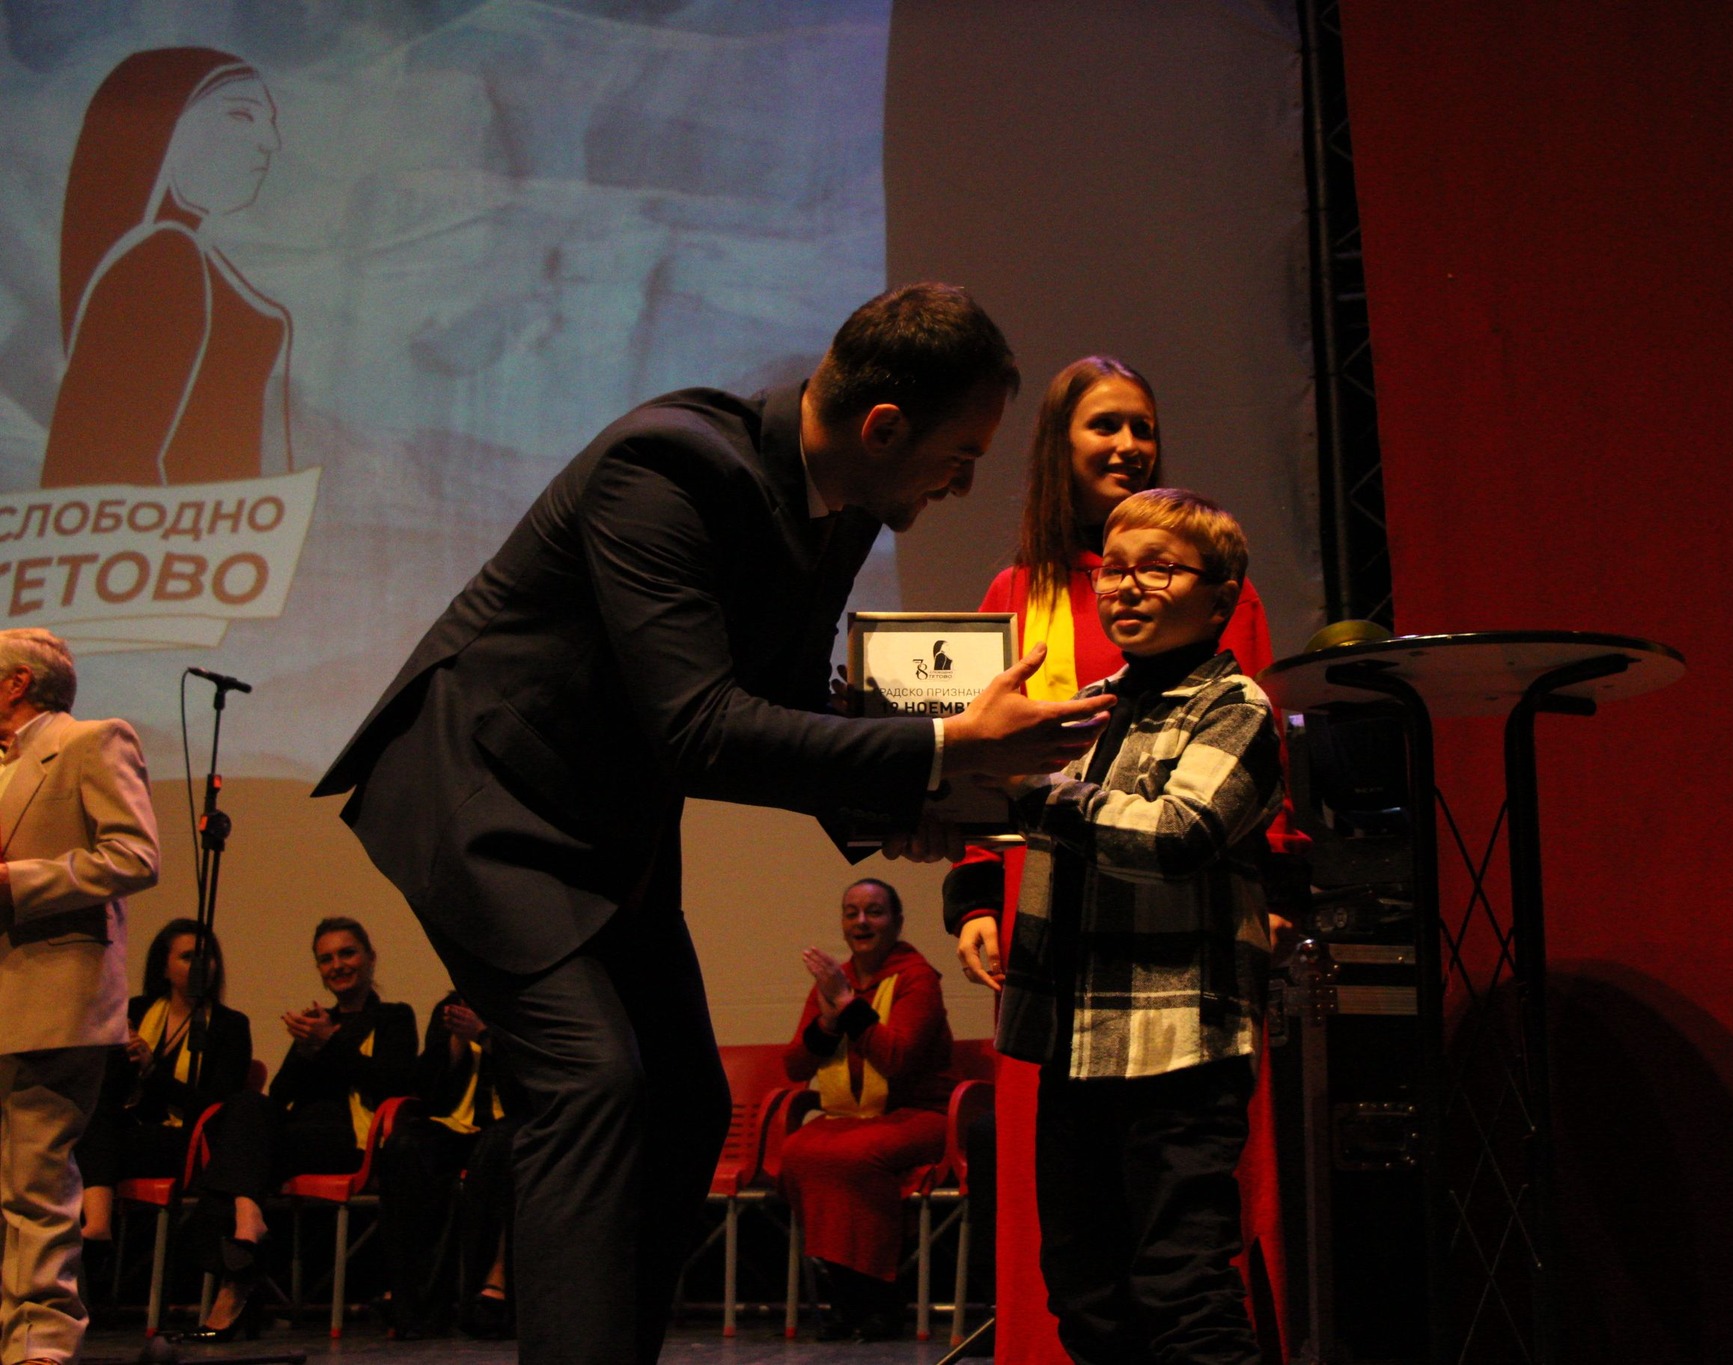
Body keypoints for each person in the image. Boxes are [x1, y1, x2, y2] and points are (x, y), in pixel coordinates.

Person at [310, 282, 1115, 1365]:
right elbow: (701, 728)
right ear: (884, 428)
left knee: (686, 1101)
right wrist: (943, 748)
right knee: (592, 1082)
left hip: (606, 827)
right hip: (483, 798)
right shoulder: (666, 466)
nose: (962, 483)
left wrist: (921, 800)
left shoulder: (845, 509)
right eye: (958, 456)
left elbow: (777, 706)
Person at [941, 356, 1292, 1361]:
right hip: (1063, 970)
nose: (1129, 444)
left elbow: (1200, 815)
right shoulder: (1027, 595)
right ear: (1057, 446)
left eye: (1142, 425)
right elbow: (984, 756)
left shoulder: (1220, 630)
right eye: (1104, 425)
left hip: (1177, 983)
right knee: (1084, 1274)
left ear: (1214, 596)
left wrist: (1275, 888)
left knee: (1178, 1267)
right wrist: (969, 877)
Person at [0, 627, 160, 1365]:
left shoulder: (93, 741)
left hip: (51, 996)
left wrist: (15, 882)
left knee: (36, 1184)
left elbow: (134, 854)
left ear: (17, 683)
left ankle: (42, 1341)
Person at [42, 47, 291, 488]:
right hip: (190, 527)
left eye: (269, 121)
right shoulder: (162, 262)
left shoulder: (185, 256)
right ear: (167, 130)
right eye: (241, 116)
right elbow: (111, 463)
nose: (271, 142)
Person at [184, 916, 416, 1342]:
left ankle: (235, 1282)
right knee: (246, 1104)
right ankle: (247, 1220)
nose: (337, 965)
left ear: (370, 958)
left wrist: (330, 1042)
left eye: (347, 953)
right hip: (298, 1136)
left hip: (348, 1140)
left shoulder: (394, 1017)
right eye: (326, 959)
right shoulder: (316, 1020)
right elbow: (282, 1094)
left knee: (233, 1168)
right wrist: (306, 1049)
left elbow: (393, 1083)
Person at [781, 879, 953, 1343]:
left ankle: (879, 1299)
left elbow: (897, 1059)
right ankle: (847, 1296)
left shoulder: (917, 978)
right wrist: (827, 1020)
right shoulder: (835, 981)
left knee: (855, 1155)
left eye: (874, 912)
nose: (861, 922)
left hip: (921, 1115)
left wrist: (848, 1006)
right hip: (851, 1117)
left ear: (896, 922)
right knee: (798, 1150)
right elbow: (795, 1066)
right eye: (851, 912)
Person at [76, 919, 251, 1288]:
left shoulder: (230, 1025)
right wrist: (120, 1057)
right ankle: (98, 1228)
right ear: (164, 968)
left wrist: (153, 1070)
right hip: (125, 1133)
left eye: (207, 957)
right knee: (90, 1120)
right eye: (187, 957)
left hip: (186, 1141)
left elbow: (218, 1108)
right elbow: (109, 1091)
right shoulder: (136, 1011)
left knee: (100, 1142)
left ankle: (97, 1229)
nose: (201, 965)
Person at [378, 990, 522, 1340]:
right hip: (455, 1127)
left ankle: (491, 1288)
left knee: (498, 1147)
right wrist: (455, 1045)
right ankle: (416, 1305)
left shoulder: (522, 1006)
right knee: (405, 1146)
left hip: (511, 1125)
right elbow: (426, 1091)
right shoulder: (451, 1009)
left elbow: (531, 1081)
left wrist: (484, 1036)